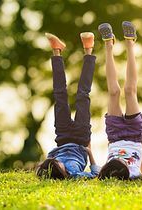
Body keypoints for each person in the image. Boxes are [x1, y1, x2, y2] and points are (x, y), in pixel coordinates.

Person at [35, 32, 100, 179]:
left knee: (59, 95)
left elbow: (44, 164)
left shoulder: (49, 166)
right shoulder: (74, 174)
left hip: (62, 135)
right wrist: (90, 153)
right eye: (58, 164)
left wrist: (49, 161)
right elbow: (96, 174)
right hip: (81, 137)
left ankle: (56, 51)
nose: (58, 162)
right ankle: (88, 50)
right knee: (83, 95)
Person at [97, 21, 142, 180]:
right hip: (134, 135)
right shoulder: (133, 174)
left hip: (115, 136)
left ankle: (108, 44)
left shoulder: (105, 173)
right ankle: (130, 43)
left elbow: (94, 171)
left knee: (114, 92)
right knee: (129, 91)